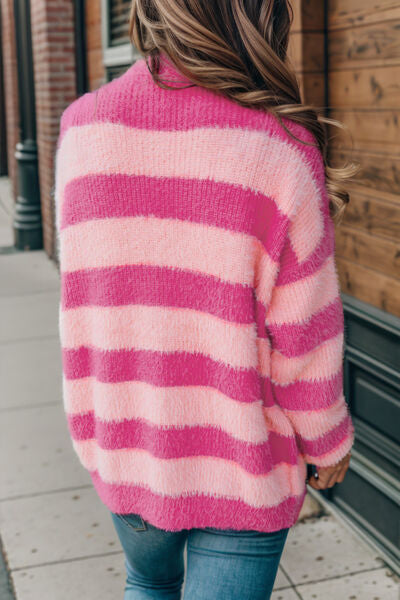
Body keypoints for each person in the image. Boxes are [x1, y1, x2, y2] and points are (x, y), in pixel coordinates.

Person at [54, 1, 356, 598]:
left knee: (146, 582)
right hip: (240, 461)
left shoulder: (81, 127)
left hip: (126, 441)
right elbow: (304, 338)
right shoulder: (279, 148)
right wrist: (328, 440)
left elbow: (85, 299)